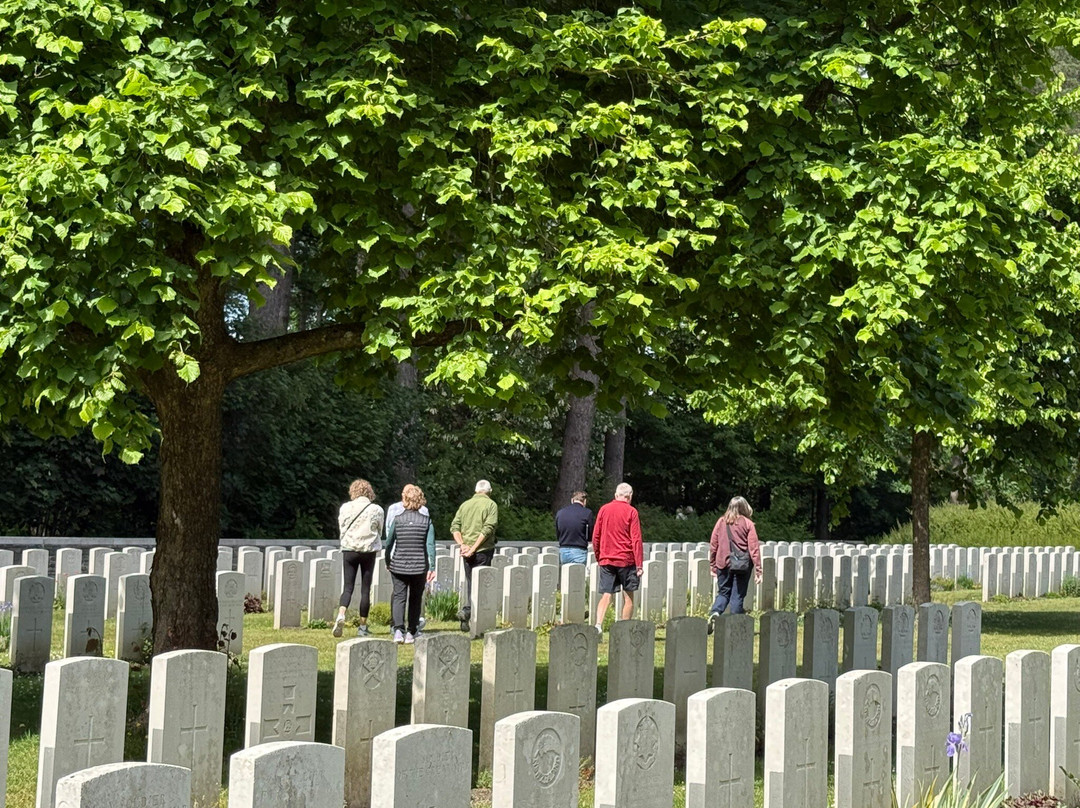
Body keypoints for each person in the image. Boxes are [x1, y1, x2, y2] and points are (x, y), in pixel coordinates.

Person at [332, 479, 385, 638]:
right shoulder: (376, 509)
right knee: (365, 589)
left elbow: (341, 527)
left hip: (349, 549)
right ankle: (362, 626)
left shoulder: (345, 507)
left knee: (348, 586)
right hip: (368, 550)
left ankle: (341, 613)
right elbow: (379, 530)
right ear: (369, 492)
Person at [383, 484, 435, 644]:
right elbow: (430, 545)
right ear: (420, 500)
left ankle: (398, 630)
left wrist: (388, 561)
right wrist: (432, 567)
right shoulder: (426, 521)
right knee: (415, 598)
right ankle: (411, 632)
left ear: (404, 499)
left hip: (398, 564)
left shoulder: (397, 521)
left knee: (399, 596)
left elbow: (389, 543)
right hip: (419, 566)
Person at [592, 482, 644, 634]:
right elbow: (636, 539)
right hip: (626, 559)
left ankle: (598, 625)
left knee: (606, 594)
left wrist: (599, 556)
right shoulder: (631, 512)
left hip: (607, 558)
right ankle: (623, 629)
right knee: (628, 596)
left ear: (616, 495)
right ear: (630, 497)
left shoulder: (604, 509)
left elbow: (596, 536)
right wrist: (639, 564)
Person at [707, 495, 762, 632]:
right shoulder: (748, 524)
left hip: (723, 563)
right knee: (737, 595)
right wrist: (759, 570)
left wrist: (712, 565)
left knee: (723, 593)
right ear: (744, 507)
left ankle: (715, 612)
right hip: (742, 565)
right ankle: (734, 626)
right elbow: (754, 548)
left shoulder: (721, 522)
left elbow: (713, 545)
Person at [450, 479, 499, 632]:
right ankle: (471, 614)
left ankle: (468, 613)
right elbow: (487, 529)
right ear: (489, 491)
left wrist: (463, 545)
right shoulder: (491, 505)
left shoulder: (465, 505)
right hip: (483, 550)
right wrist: (473, 548)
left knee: (471, 583)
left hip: (467, 551)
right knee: (482, 587)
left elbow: (454, 527)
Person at [554, 491, 592, 566]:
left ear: (572, 500)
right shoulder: (587, 513)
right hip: (579, 549)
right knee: (577, 575)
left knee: (565, 575)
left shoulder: (560, 513)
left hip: (564, 548)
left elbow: (558, 531)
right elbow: (590, 531)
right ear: (584, 501)